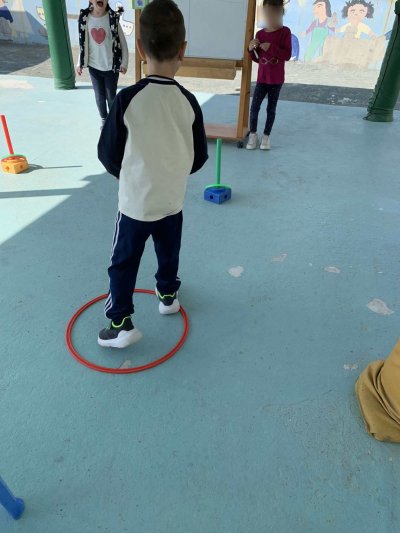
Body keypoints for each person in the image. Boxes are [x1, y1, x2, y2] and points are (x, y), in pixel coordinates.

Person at [97, 0, 208, 349]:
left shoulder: (127, 99)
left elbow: (107, 154)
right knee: (168, 251)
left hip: (135, 205)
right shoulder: (189, 102)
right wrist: (171, 171)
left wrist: (125, 174)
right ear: (183, 50)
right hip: (171, 202)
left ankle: (120, 323)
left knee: (123, 261)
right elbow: (198, 158)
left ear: (141, 49)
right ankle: (167, 297)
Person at [247, 0, 292, 151]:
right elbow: (257, 58)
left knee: (271, 109)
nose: (270, 17)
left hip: (276, 80)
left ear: (281, 13)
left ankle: (266, 137)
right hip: (262, 79)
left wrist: (271, 47)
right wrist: (251, 49)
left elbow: (287, 55)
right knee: (254, 108)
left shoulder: (285, 32)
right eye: (267, 14)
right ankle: (253, 134)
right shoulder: (260, 34)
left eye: (273, 14)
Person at [77, 0, 129, 128]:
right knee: (99, 96)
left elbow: (123, 43)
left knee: (111, 96)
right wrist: (79, 63)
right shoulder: (85, 18)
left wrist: (124, 63)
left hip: (111, 67)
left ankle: (113, 119)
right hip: (94, 67)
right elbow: (83, 43)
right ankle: (104, 119)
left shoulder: (112, 18)